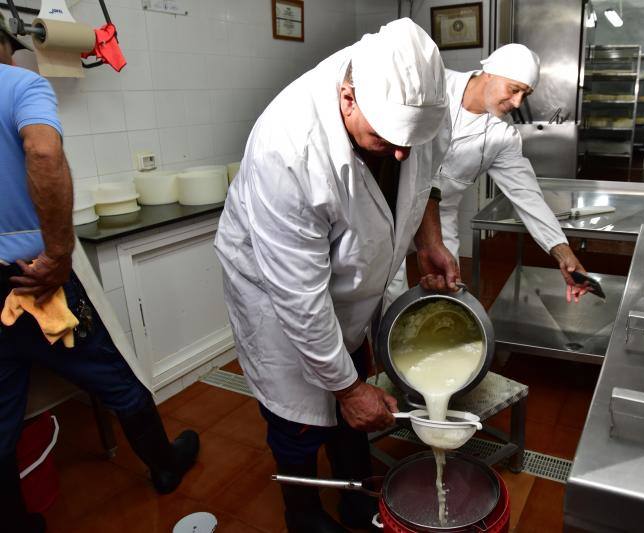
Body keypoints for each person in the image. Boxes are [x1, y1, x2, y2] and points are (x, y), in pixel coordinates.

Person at [214, 18, 458, 533]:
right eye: (387, 139)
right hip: (275, 291)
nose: (401, 155)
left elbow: (427, 177)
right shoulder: (288, 148)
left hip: (346, 281)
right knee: (299, 412)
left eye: (413, 142)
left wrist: (428, 239)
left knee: (353, 381)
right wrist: (347, 392)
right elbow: (299, 295)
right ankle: (303, 512)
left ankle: (357, 495)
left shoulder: (424, 112)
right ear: (348, 96)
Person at [0, 15, 199, 533]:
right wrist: (60, 253)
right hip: (35, 282)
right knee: (114, 377)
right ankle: (164, 465)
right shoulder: (20, 83)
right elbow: (44, 151)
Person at [387, 44, 590, 306]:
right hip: (396, 209)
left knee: (447, 293)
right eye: (514, 89)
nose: (517, 102)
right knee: (389, 290)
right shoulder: (436, 87)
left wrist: (563, 252)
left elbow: (527, 195)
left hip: (443, 216)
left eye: (524, 95)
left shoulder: (502, 136)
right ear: (490, 73)